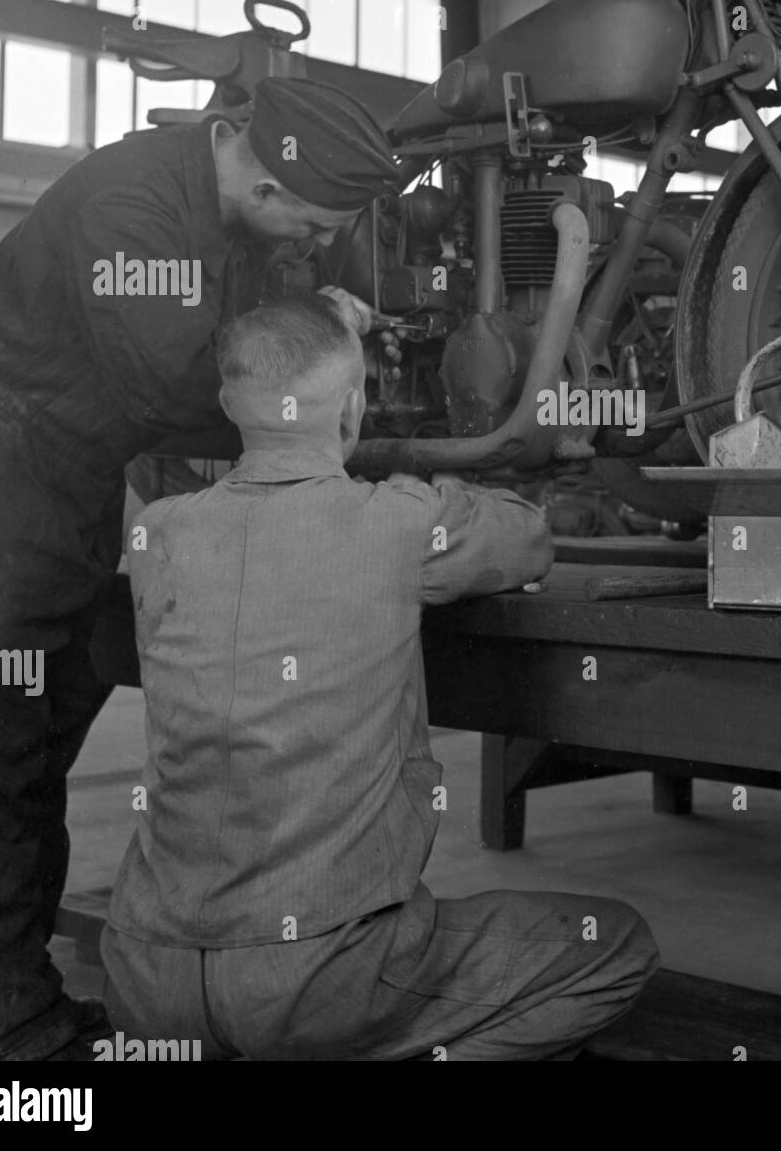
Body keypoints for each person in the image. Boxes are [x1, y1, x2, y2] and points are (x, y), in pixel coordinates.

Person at [0, 78, 399, 1060]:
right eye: (298, 215)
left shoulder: (233, 227)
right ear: (233, 139)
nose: (303, 241)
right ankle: (4, 1038)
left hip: (59, 488)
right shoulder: (131, 200)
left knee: (29, 751)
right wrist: (320, 369)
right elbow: (172, 376)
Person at [100, 293, 658, 1060]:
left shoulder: (160, 532)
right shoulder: (397, 524)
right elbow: (527, 539)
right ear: (357, 404)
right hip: (318, 977)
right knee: (616, 947)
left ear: (230, 402)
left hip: (143, 977)